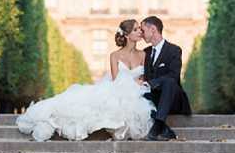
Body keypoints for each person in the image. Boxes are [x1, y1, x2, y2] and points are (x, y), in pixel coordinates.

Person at [16, 19, 155, 141]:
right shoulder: (115, 55)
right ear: (127, 35)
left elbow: (143, 78)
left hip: (135, 92)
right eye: (136, 29)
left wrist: (137, 84)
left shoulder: (143, 54)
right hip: (117, 89)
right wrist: (132, 83)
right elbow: (116, 79)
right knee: (79, 104)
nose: (140, 32)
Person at [139, 16, 192, 141]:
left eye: (143, 30)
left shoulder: (174, 50)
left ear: (152, 29)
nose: (141, 34)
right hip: (155, 100)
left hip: (174, 99)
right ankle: (164, 129)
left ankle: (157, 126)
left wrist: (151, 83)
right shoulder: (144, 52)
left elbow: (174, 75)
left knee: (169, 81)